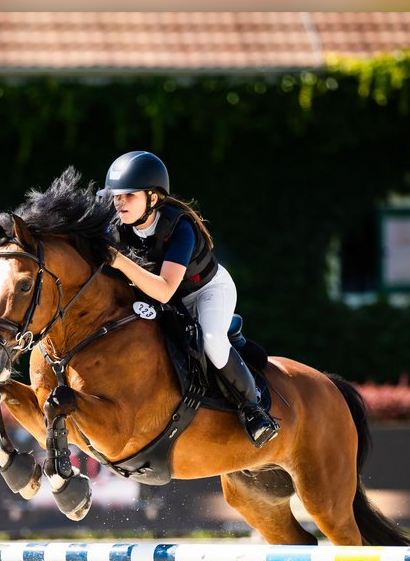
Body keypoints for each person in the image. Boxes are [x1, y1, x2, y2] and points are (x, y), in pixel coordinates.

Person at [101, 150, 279, 448]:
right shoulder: (117, 225)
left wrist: (118, 261)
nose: (119, 203)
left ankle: (254, 409)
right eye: (116, 196)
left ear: (153, 198)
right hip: (168, 300)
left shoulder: (180, 228)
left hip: (208, 292)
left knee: (210, 340)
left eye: (128, 196)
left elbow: (165, 289)